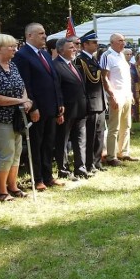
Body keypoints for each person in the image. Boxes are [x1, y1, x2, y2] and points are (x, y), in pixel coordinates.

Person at [13, 23, 64, 190]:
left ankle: (48, 176)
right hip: (37, 109)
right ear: (29, 36)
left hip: (51, 107)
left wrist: (59, 103)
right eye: (41, 33)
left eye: (44, 33)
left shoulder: (45, 54)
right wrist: (33, 107)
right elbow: (25, 85)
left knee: (49, 143)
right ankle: (38, 178)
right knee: (37, 143)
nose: (44, 36)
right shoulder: (22, 55)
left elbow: (54, 80)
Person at [0, 34, 32, 201]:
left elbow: (21, 85)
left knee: (16, 151)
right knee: (7, 151)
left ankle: (13, 185)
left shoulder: (12, 65)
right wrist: (19, 101)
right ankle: (2, 191)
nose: (14, 49)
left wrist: (24, 100)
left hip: (16, 115)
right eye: (11, 46)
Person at [53, 38, 89, 179]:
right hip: (66, 110)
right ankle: (63, 170)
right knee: (62, 140)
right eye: (71, 47)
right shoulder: (56, 66)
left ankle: (81, 168)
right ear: (61, 50)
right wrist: (59, 109)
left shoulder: (72, 64)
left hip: (80, 109)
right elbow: (56, 90)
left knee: (80, 139)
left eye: (74, 47)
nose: (75, 49)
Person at [100, 33, 137, 166]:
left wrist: (130, 94)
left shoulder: (121, 55)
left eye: (124, 41)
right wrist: (112, 95)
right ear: (112, 42)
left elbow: (125, 77)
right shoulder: (107, 56)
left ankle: (124, 152)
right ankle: (111, 156)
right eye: (120, 41)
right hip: (116, 95)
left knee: (126, 125)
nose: (123, 43)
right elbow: (104, 77)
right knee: (114, 127)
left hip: (126, 93)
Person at [76, 31, 107, 173]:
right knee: (90, 135)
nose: (96, 44)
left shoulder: (94, 59)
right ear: (85, 44)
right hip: (91, 103)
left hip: (100, 101)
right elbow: (83, 85)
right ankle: (89, 164)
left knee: (99, 134)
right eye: (93, 42)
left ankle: (97, 161)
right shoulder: (80, 60)